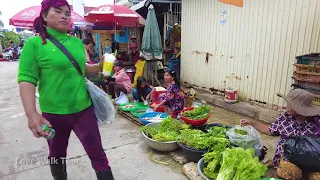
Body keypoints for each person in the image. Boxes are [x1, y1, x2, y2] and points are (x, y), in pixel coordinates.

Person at [17, 0, 114, 179]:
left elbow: (82, 68)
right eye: (58, 11)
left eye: (67, 13)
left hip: (83, 109)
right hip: (53, 114)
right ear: (45, 16)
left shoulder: (76, 43)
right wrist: (32, 114)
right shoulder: (34, 45)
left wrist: (99, 66)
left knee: (98, 153)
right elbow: (26, 80)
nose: (64, 16)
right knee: (57, 156)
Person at [240, 89, 320, 169]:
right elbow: (269, 130)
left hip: (304, 169)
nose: (286, 107)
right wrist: (251, 122)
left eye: (291, 105)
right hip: (281, 166)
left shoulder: (316, 124)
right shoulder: (284, 117)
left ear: (301, 109)